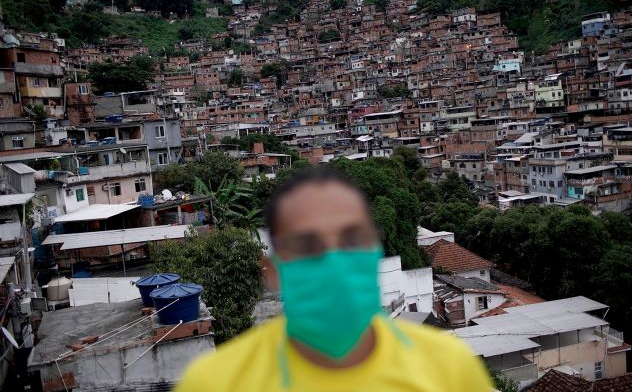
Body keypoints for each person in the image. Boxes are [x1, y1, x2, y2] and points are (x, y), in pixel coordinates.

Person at [176, 168, 493, 392]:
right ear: (274, 270)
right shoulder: (215, 384)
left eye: (353, 240)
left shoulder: (448, 369)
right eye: (308, 247)